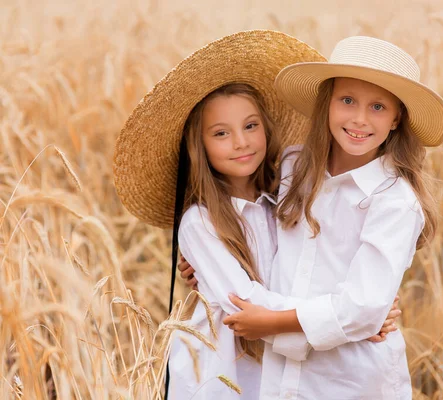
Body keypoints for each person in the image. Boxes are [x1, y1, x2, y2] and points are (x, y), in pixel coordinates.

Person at [114, 31, 398, 400]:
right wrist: (348, 323)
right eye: (220, 133)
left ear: (266, 127)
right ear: (198, 146)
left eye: (251, 126)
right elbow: (244, 303)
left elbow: (327, 261)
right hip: (224, 369)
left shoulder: (286, 198)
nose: (241, 142)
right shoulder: (201, 221)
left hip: (286, 364)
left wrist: (360, 311)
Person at [219, 36, 443, 400]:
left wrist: (270, 322)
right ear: (326, 105)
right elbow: (260, 232)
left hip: (349, 378)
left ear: (396, 119)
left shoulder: (394, 201)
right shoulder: (294, 167)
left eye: (377, 106)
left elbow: (363, 307)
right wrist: (211, 258)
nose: (359, 119)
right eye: (347, 101)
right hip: (281, 374)